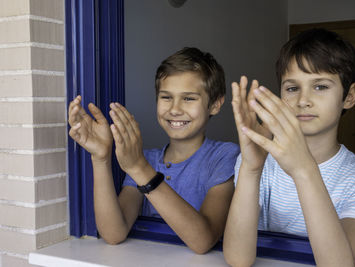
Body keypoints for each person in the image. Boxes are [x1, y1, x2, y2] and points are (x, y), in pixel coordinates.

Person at [223, 28, 355, 266]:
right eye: (292, 88)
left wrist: (304, 169)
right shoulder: (259, 161)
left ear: (350, 96)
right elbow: (237, 259)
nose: (303, 100)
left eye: (321, 86)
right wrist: (251, 168)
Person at [68, 47, 239, 254]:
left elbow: (203, 241)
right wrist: (100, 157)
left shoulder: (225, 156)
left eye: (189, 98)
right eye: (166, 97)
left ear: (215, 104)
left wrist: (140, 169)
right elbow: (113, 234)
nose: (175, 109)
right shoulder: (148, 159)